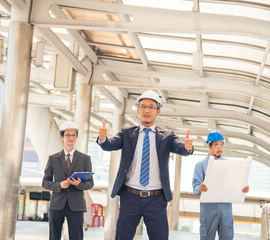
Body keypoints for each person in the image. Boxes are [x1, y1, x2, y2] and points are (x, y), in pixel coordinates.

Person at [97, 90, 194, 240]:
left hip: (156, 199)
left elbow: (181, 149)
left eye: (151, 107)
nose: (146, 110)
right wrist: (103, 138)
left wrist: (187, 147)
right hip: (130, 197)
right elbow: (110, 145)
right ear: (138, 110)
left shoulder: (167, 136)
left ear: (158, 111)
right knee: (122, 237)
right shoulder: (127, 133)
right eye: (143, 106)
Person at [192, 130, 249, 240]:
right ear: (209, 146)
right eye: (216, 145)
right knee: (206, 237)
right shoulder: (201, 165)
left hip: (225, 207)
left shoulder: (229, 164)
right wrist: (200, 187)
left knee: (227, 236)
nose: (220, 148)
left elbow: (234, 184)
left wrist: (243, 189)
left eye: (222, 145)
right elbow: (195, 186)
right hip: (208, 208)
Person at [43, 121, 94, 240]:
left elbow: (90, 183)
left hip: (76, 205)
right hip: (57, 204)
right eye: (67, 135)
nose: (71, 138)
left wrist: (79, 184)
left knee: (76, 237)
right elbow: (45, 182)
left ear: (76, 137)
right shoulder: (53, 159)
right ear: (62, 137)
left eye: (73, 135)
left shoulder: (85, 159)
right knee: (54, 237)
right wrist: (60, 184)